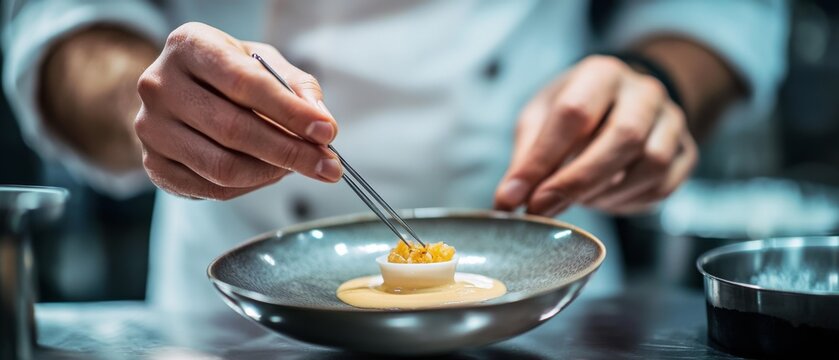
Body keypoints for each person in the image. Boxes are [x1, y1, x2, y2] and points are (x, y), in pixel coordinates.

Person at [4, 1, 788, 311]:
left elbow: (722, 11)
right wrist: (149, 105)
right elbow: (60, 23)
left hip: (543, 304)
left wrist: (653, 84)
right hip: (234, 303)